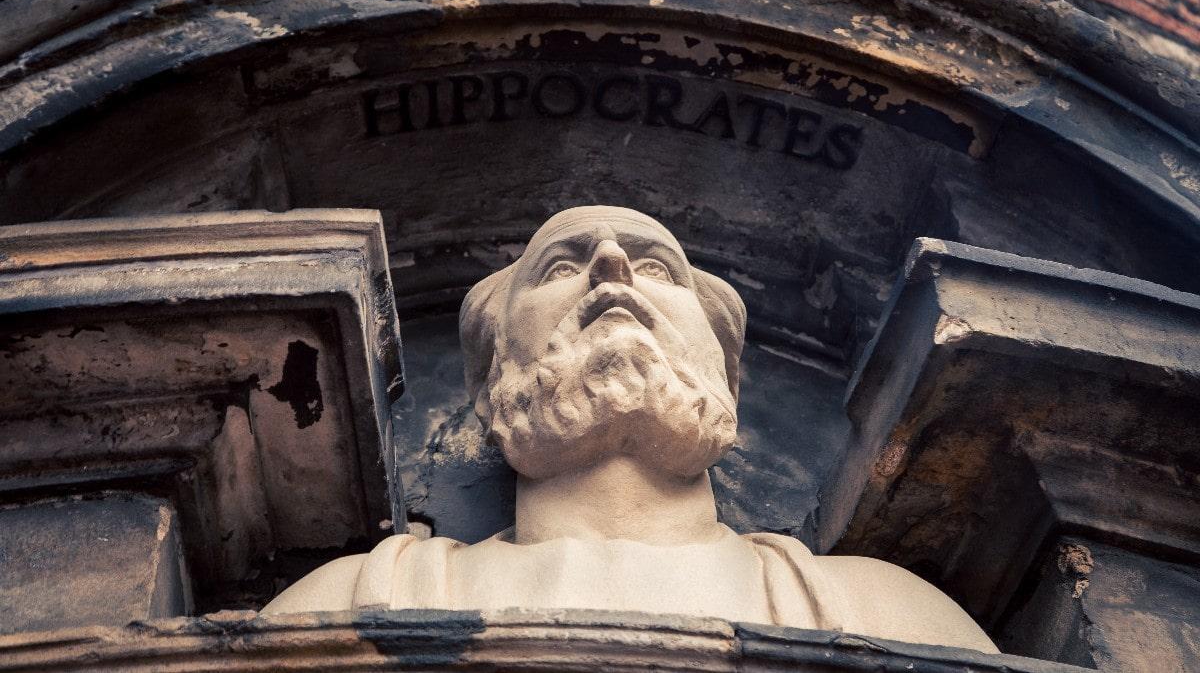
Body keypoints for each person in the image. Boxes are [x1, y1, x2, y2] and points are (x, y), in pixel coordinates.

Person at [262, 205, 998, 654]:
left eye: (658, 268)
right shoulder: (357, 603)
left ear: (723, 375)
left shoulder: (885, 614)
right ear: (490, 382)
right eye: (559, 267)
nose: (612, 265)